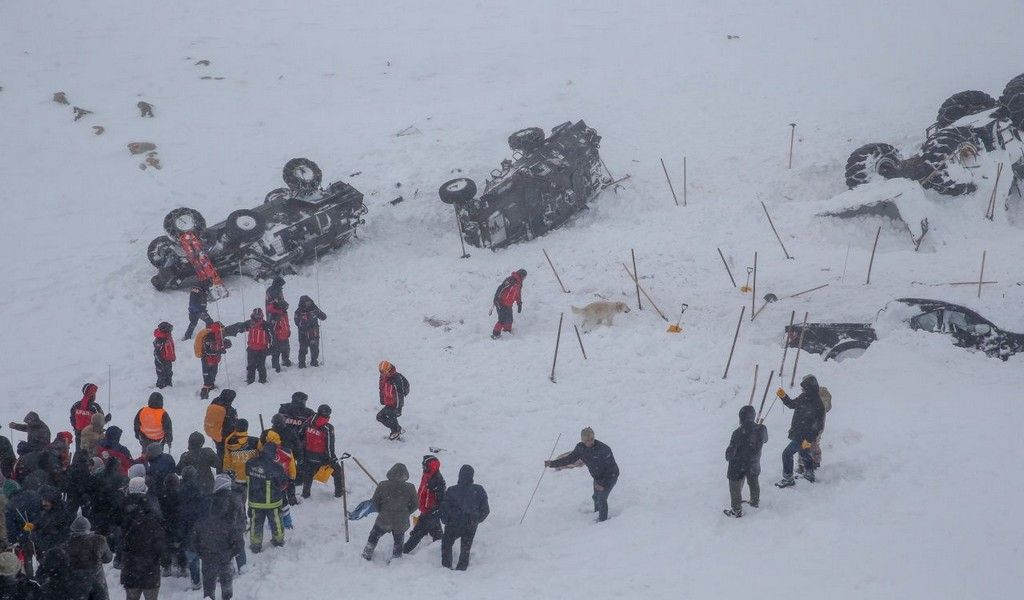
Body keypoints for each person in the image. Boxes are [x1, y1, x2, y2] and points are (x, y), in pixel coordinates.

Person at [545, 427, 619, 522]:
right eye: (587, 440)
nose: (590, 442)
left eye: (592, 439)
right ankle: (597, 513)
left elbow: (611, 469)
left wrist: (602, 484)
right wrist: (552, 464)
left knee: (601, 498)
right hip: (597, 477)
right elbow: (569, 459)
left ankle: (603, 521)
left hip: (610, 476)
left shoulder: (604, 449)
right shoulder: (580, 448)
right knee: (595, 497)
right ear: (583, 440)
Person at [190, 476, 242, 600]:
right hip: (225, 556)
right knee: (227, 587)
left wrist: (201, 552)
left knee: (208, 589)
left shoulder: (205, 508)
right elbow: (238, 541)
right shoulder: (233, 505)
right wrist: (231, 553)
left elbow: (195, 538)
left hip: (208, 556)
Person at [775, 375, 826, 487]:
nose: (802, 390)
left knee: (787, 454)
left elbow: (818, 425)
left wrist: (809, 439)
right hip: (799, 432)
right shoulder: (804, 397)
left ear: (809, 388)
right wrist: (783, 396)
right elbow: (792, 404)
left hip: (803, 436)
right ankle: (809, 474)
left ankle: (788, 478)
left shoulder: (817, 404)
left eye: (804, 388)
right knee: (804, 453)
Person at [121, 480, 166, 600]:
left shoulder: (123, 508)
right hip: (150, 567)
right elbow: (159, 542)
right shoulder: (153, 512)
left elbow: (120, 537)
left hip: (130, 566)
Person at [361, 463, 417, 561]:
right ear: (406, 474)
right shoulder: (410, 487)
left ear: (391, 472)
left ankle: (367, 554)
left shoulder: (382, 485)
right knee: (398, 541)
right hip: (401, 521)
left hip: (384, 519)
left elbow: (375, 501)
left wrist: (382, 511)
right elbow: (415, 505)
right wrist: (405, 513)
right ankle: (396, 559)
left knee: (374, 535)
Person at [439, 464, 489, 571]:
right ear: (472, 476)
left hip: (453, 524)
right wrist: (476, 519)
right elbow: (485, 510)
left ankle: (446, 567)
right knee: (465, 548)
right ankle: (462, 568)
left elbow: (444, 508)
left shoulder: (452, 490)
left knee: (446, 544)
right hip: (470, 524)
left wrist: (446, 520)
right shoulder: (479, 490)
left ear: (459, 475)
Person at [723, 405, 769, 518]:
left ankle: (736, 509)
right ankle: (754, 501)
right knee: (753, 481)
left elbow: (730, 454)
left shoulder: (737, 433)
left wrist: (728, 454)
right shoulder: (762, 428)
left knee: (735, 485)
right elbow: (766, 440)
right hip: (754, 463)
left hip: (739, 465)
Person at [245, 442, 287, 553]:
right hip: (273, 502)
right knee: (276, 522)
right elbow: (283, 483)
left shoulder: (250, 463)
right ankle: (278, 541)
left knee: (256, 523)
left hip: (255, 501)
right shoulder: (277, 467)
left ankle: (255, 545)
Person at [403, 455, 445, 554]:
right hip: (426, 510)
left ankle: (402, 552)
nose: (423, 468)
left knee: (417, 533)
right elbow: (423, 491)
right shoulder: (427, 474)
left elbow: (442, 499)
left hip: (431, 512)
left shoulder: (437, 480)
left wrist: (435, 511)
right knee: (437, 535)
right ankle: (442, 551)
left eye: (425, 466)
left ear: (431, 466)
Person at [300, 405, 343, 498]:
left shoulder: (308, 422)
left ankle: (305, 494)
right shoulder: (328, 428)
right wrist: (332, 458)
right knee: (337, 471)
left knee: (308, 473)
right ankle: (339, 493)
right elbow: (329, 445)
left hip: (308, 455)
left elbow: (300, 435)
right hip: (322, 457)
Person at [66, 514, 113, 600]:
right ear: (89, 527)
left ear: (72, 529)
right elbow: (108, 559)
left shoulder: (68, 543)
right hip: (97, 580)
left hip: (77, 582)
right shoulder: (100, 540)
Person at [203, 390, 237, 470]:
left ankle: (220, 469)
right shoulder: (229, 410)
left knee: (219, 453)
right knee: (225, 455)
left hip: (215, 432)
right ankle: (224, 470)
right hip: (225, 436)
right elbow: (231, 424)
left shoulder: (214, 402)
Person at [376, 361, 410, 440]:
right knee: (380, 417)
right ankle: (397, 430)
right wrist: (382, 400)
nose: (382, 374)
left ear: (388, 370)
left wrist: (398, 408)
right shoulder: (383, 377)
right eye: (381, 372)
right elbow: (381, 389)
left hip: (396, 404)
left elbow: (400, 394)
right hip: (389, 403)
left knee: (391, 416)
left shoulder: (397, 378)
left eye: (384, 372)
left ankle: (396, 432)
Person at [491, 268, 526, 339]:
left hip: (509, 304)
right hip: (501, 302)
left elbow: (518, 294)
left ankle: (507, 331)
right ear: (521, 275)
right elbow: (501, 288)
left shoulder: (519, 284)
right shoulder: (511, 280)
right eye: (524, 277)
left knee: (510, 319)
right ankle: (495, 334)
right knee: (502, 319)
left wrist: (519, 303)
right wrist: (496, 298)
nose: (525, 279)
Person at [199, 322, 231, 400]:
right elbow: (207, 351)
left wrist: (226, 345)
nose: (222, 330)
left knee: (213, 375)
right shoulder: (208, 337)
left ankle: (211, 387)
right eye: (221, 328)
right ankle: (204, 394)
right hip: (207, 360)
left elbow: (226, 344)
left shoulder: (219, 337)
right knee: (207, 378)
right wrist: (219, 351)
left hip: (215, 360)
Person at [70, 383, 106, 449]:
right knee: (92, 456)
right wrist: (107, 419)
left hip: (79, 436)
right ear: (92, 394)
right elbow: (100, 422)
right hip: (93, 437)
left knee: (79, 454)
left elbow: (72, 420)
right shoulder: (95, 407)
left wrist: (77, 430)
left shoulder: (75, 405)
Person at [294, 295, 326, 368]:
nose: (308, 304)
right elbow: (297, 322)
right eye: (306, 303)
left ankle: (314, 361)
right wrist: (305, 321)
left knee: (315, 349)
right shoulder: (298, 311)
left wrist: (319, 314)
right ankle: (301, 363)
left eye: (309, 302)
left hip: (314, 333)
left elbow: (323, 317)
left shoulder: (314, 308)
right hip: (303, 334)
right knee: (303, 349)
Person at [222, 420, 258, 485]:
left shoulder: (229, 442)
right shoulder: (255, 441)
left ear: (236, 428)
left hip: (236, 477)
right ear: (247, 428)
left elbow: (227, 459)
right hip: (252, 476)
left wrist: (226, 473)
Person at [244, 308, 273, 385]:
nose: (257, 317)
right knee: (251, 366)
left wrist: (271, 347)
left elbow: (272, 336)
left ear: (261, 315)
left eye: (259, 315)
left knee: (261, 366)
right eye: (256, 315)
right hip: (251, 349)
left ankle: (263, 380)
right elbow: (240, 326)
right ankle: (250, 381)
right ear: (253, 315)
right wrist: (225, 331)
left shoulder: (266, 325)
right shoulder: (249, 323)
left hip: (262, 349)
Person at [153, 321, 176, 389]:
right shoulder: (160, 339)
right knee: (161, 374)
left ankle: (168, 384)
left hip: (168, 359)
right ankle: (161, 386)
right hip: (161, 360)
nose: (171, 331)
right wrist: (160, 361)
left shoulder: (167, 336)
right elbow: (157, 352)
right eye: (169, 330)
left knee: (169, 373)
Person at [269, 304, 291, 373]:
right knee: (276, 353)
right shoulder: (275, 315)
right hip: (277, 338)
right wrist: (274, 337)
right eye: (285, 307)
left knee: (286, 350)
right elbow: (272, 328)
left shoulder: (284, 314)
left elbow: (286, 323)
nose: (286, 309)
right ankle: (275, 367)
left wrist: (288, 330)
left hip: (285, 336)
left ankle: (286, 361)